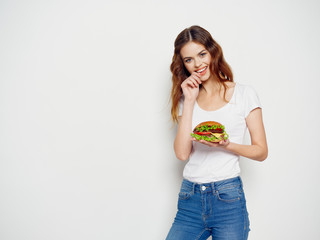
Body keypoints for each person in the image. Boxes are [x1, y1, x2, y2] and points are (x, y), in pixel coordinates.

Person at [166, 25, 268, 240]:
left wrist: (226, 144)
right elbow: (182, 154)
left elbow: (261, 151)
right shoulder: (187, 98)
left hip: (227, 198)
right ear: (183, 64)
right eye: (189, 59)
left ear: (213, 52)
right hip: (189, 198)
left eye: (202, 54)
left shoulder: (244, 94)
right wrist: (190, 100)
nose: (198, 64)